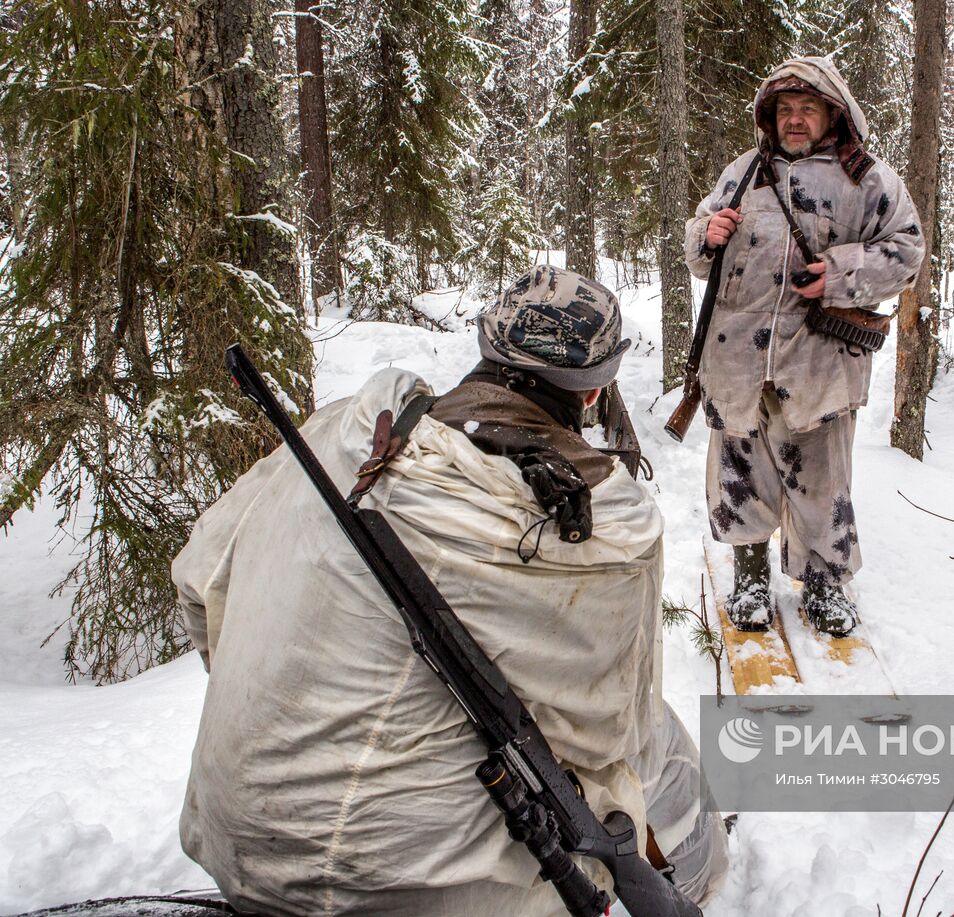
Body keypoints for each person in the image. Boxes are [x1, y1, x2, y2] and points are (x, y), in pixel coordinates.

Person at [173, 266, 727, 916]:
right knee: (659, 740)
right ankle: (698, 880)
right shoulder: (612, 535)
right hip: (421, 892)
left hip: (242, 846)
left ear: (488, 346)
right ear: (595, 389)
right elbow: (617, 734)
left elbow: (197, 586)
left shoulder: (342, 438)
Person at [684, 56, 925, 637]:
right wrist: (705, 235)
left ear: (832, 113)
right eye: (785, 109)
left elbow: (908, 252)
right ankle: (749, 577)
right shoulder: (742, 172)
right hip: (738, 361)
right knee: (740, 475)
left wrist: (840, 274)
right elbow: (698, 250)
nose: (794, 119)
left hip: (819, 364)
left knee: (821, 481)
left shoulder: (866, 179)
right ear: (770, 116)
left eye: (807, 108)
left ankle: (824, 583)